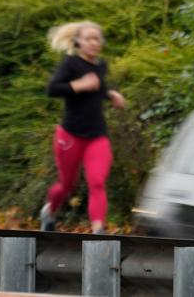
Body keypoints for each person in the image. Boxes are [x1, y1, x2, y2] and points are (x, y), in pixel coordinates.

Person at [39, 20, 126, 234]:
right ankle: (50, 212)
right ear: (78, 42)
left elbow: (97, 88)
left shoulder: (101, 66)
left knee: (97, 181)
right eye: (89, 39)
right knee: (67, 185)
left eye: (97, 39)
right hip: (70, 135)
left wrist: (110, 94)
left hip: (97, 135)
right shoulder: (70, 64)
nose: (94, 43)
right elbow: (52, 89)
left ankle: (98, 229)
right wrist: (79, 85)